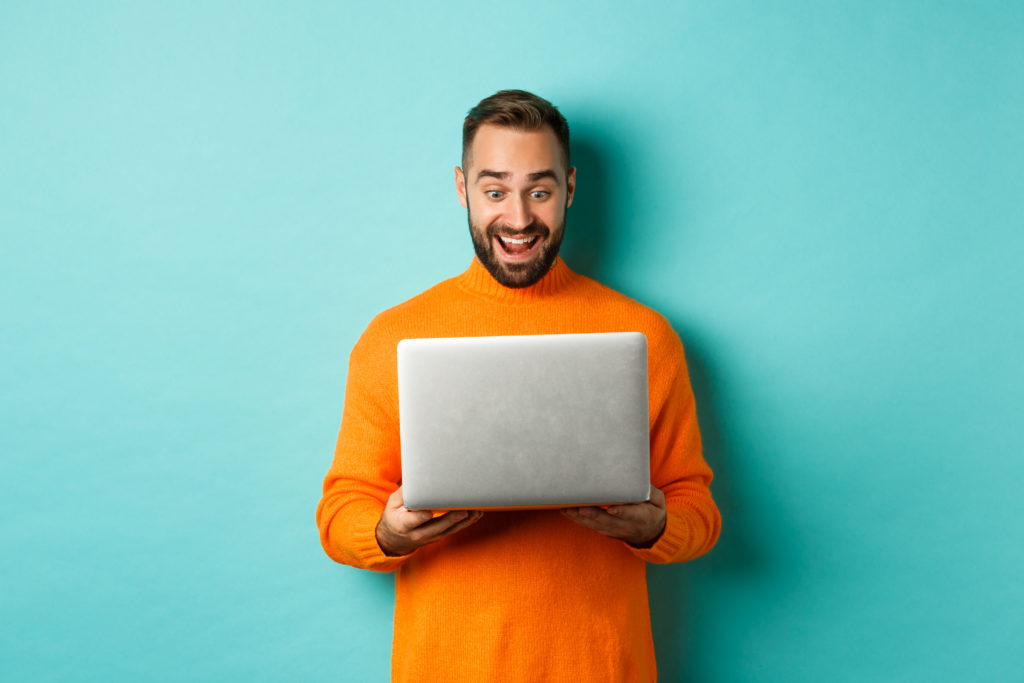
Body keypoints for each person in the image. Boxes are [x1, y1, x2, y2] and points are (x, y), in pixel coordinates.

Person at [316, 89, 721, 682]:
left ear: (570, 189)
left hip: (603, 667)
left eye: (540, 190)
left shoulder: (646, 336)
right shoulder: (393, 337)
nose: (519, 217)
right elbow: (338, 514)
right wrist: (387, 532)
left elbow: (698, 510)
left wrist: (657, 527)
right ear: (462, 190)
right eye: (495, 189)